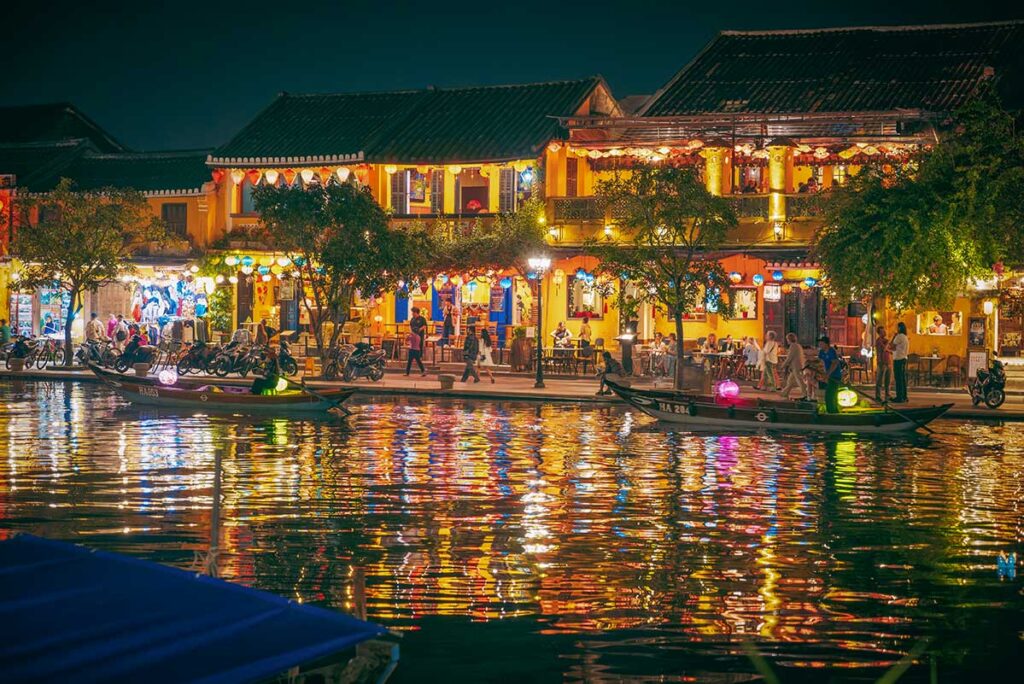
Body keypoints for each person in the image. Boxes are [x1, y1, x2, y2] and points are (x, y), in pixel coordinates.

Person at [817, 335, 843, 413]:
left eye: (821, 343)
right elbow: (819, 361)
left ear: (826, 344)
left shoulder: (832, 351)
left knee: (830, 394)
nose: (820, 345)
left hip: (835, 376)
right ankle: (834, 410)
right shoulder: (821, 352)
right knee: (831, 393)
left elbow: (834, 363)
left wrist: (828, 374)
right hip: (827, 375)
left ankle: (832, 411)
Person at [778, 332, 806, 399]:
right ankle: (785, 393)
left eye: (787, 339)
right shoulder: (798, 345)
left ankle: (805, 393)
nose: (787, 340)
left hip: (796, 366)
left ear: (789, 339)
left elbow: (789, 358)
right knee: (790, 381)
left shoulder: (793, 346)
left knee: (799, 380)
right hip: (798, 366)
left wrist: (783, 366)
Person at [890, 321, 910, 403]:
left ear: (899, 328)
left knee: (898, 379)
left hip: (898, 359)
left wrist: (893, 336)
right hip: (903, 358)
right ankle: (904, 396)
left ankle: (899, 397)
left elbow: (892, 345)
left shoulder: (899, 336)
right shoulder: (905, 337)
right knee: (902, 379)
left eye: (897, 327)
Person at [874, 325, 893, 402]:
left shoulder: (885, 340)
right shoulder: (878, 341)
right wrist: (890, 340)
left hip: (888, 362)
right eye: (882, 331)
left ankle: (887, 395)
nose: (884, 332)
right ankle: (878, 396)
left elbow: (891, 348)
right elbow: (885, 348)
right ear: (879, 333)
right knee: (879, 381)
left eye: (884, 331)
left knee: (888, 381)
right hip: (882, 362)